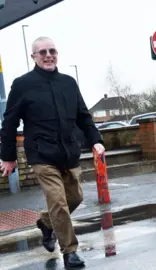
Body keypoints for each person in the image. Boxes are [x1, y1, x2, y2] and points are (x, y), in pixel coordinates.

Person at [0, 36, 105, 267]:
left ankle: (46, 223)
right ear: (33, 57)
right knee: (58, 202)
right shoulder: (23, 84)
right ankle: (70, 252)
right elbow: (9, 122)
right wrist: (8, 157)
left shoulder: (68, 83)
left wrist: (96, 140)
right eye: (43, 52)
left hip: (68, 153)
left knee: (75, 198)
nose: (48, 55)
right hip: (41, 154)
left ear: (57, 54)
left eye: (52, 51)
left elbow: (83, 115)